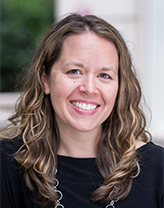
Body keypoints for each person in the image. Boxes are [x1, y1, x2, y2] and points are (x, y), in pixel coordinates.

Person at [0, 13, 163, 208]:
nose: (89, 88)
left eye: (104, 75)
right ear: (45, 79)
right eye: (74, 71)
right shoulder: (7, 164)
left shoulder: (158, 169)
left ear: (120, 87)